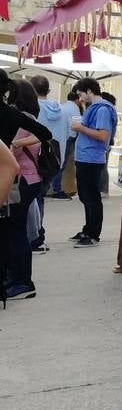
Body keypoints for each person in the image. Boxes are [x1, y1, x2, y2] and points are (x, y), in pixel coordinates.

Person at [7, 81, 44, 299]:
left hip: (23, 180)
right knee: (15, 230)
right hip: (30, 179)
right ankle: (17, 277)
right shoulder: (30, 119)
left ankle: (23, 282)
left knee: (16, 231)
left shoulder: (20, 121)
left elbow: (12, 153)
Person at [70, 78, 117, 247]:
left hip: (91, 158)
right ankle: (87, 229)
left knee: (91, 197)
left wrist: (80, 128)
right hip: (85, 157)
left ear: (89, 91)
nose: (80, 98)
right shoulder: (94, 108)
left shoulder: (103, 109)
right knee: (85, 195)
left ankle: (93, 234)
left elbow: (103, 135)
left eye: (81, 94)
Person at [30, 75, 67, 251]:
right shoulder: (62, 109)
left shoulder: (33, 109)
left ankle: (35, 238)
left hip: (36, 161)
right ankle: (38, 236)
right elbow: (69, 135)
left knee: (33, 201)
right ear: (49, 91)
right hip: (54, 162)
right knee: (39, 199)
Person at [50, 89, 82, 199]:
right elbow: (77, 124)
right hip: (69, 137)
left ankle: (53, 188)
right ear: (77, 99)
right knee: (62, 164)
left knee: (57, 162)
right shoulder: (75, 108)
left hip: (59, 137)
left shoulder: (62, 106)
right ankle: (57, 189)